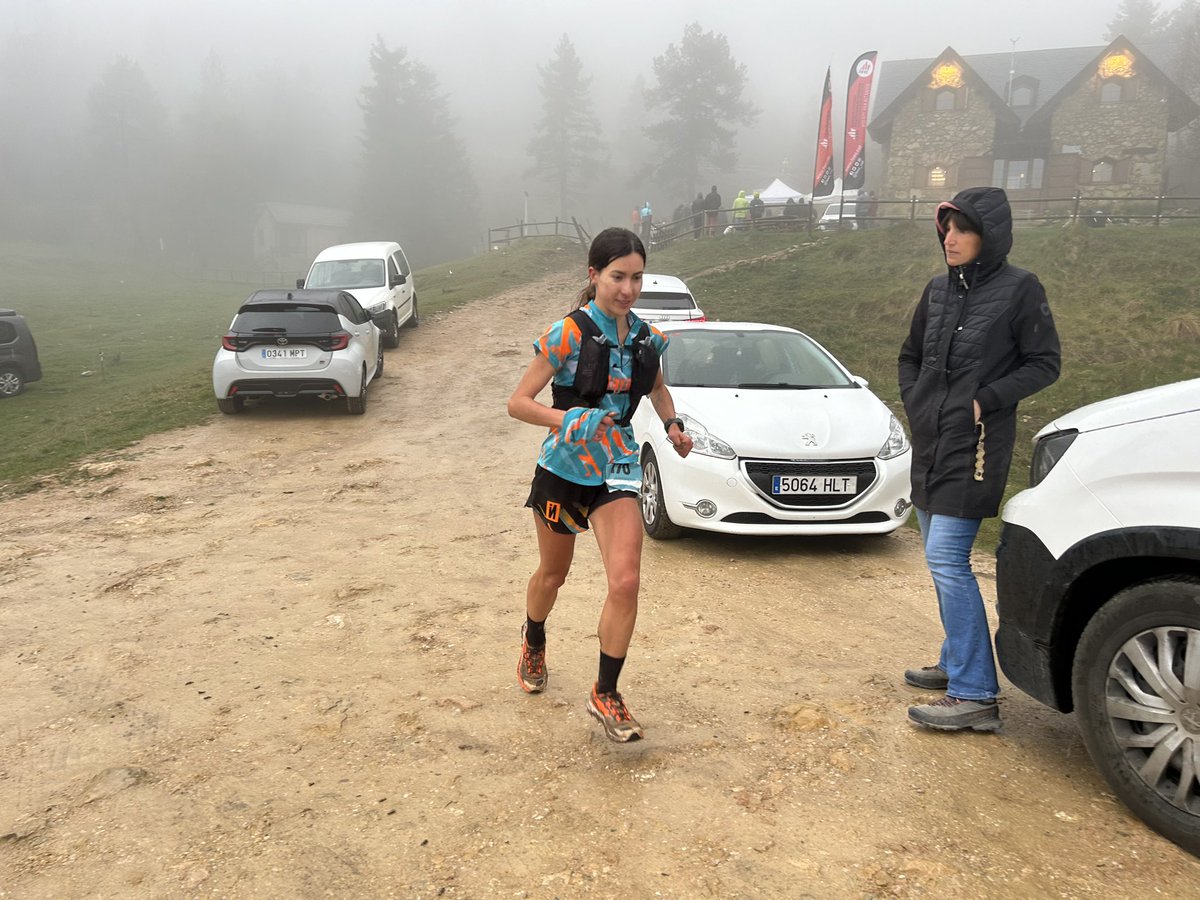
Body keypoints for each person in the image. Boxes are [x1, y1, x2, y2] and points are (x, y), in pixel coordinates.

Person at [507, 226, 694, 742]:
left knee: (626, 580)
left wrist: (674, 425)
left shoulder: (644, 338)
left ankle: (605, 692)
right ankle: (534, 638)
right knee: (553, 576)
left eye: (636, 278)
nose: (628, 289)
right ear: (594, 276)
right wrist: (565, 420)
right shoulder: (568, 332)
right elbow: (518, 402)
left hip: (616, 470)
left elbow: (657, 390)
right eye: (618, 277)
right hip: (564, 471)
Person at [898, 186, 1061, 733]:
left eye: (962, 228)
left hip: (978, 446)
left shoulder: (1020, 289)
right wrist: (919, 402)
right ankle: (955, 661)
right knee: (936, 558)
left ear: (988, 234)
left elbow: (1044, 364)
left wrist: (981, 400)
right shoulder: (937, 291)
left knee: (948, 559)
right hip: (931, 441)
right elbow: (910, 355)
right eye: (945, 228)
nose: (950, 237)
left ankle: (976, 694)